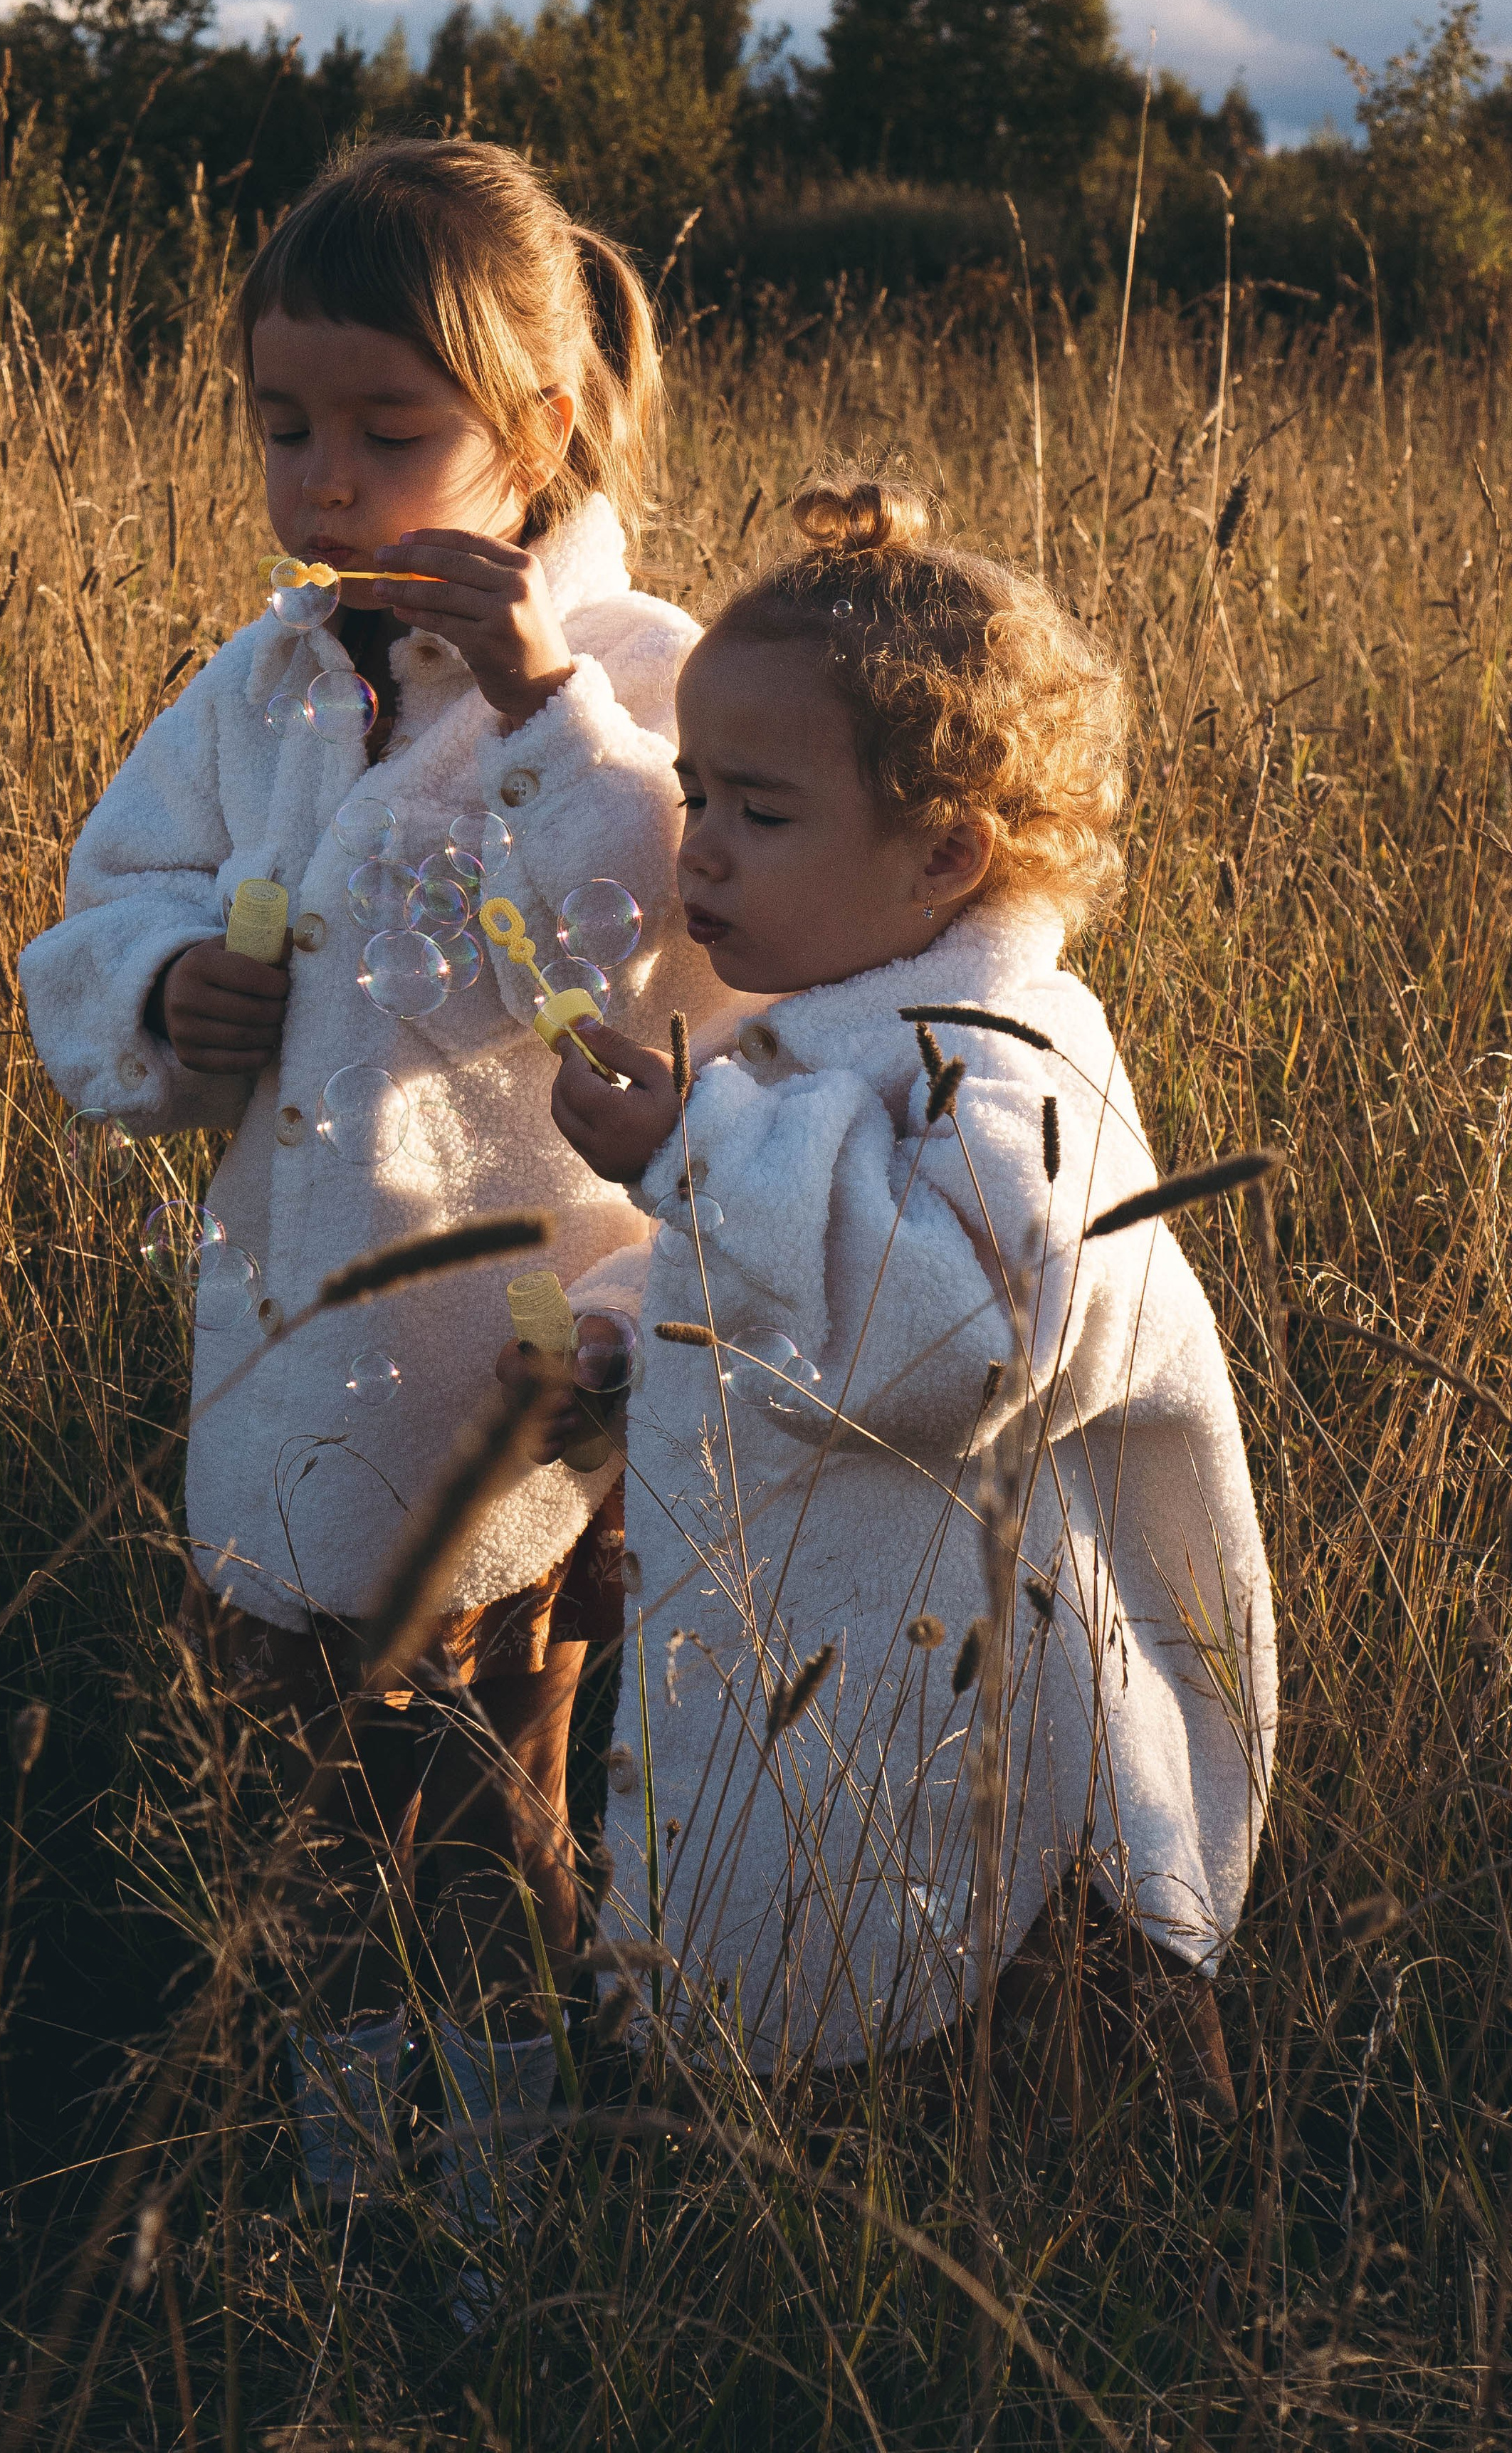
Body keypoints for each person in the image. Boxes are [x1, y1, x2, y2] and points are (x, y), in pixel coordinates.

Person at [19, 140, 735, 2266]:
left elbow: (683, 939)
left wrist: (540, 708)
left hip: (509, 1393)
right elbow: (103, 902)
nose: (323, 479)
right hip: (281, 1364)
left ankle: (497, 2225)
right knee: (307, 1815)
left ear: (547, 429)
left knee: (489, 1810)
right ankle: (349, 2197)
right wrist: (169, 990)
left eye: (387, 432)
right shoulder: (260, 686)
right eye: (283, 426)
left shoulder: (645, 670)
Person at [536, 472, 1276, 2111]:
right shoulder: (828, 1035)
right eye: (691, 791)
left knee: (1022, 2103)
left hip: (986, 1774)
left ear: (942, 849)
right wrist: (625, 1318)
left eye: (757, 810)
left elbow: (962, 1337)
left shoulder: (1009, 1066)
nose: (697, 849)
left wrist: (696, 1157)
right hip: (826, 1708)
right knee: (811, 2007)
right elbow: (807, 1248)